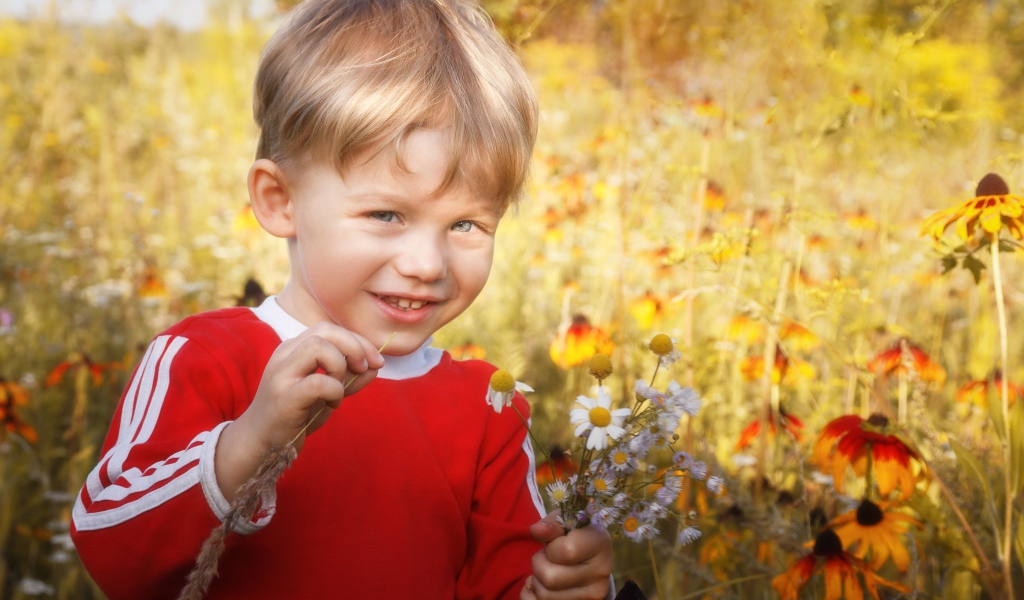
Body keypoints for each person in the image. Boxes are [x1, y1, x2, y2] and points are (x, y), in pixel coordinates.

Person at [70, 0, 615, 598]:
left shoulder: (488, 409)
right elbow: (108, 546)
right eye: (386, 214)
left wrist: (561, 588)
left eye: (466, 225)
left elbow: (504, 583)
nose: (426, 264)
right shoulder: (203, 356)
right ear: (280, 201)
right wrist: (249, 440)